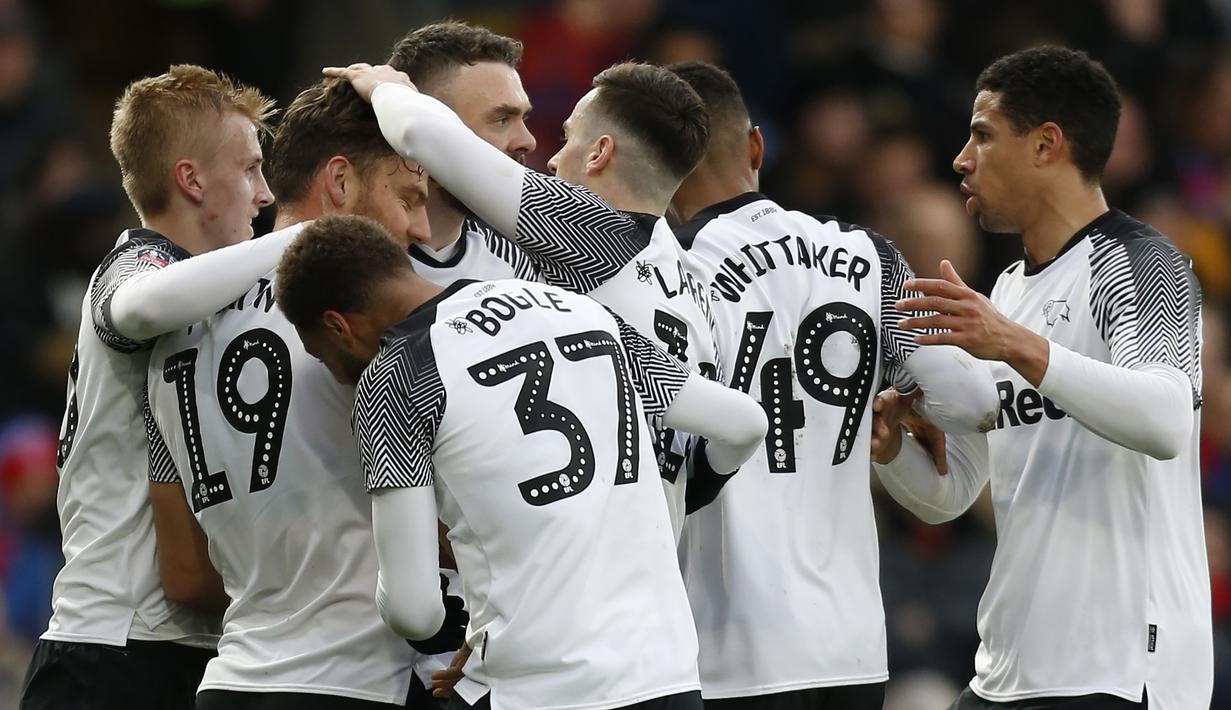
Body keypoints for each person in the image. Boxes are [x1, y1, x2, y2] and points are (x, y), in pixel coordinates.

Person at [273, 214, 768, 710]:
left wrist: (478, 627)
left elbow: (413, 611)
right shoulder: (583, 311)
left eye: (322, 355)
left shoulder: (397, 372)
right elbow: (745, 422)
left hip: (537, 691)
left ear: (338, 325)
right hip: (668, 679)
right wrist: (699, 484)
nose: (336, 374)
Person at [871, 46, 1212, 710]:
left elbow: (1167, 419)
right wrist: (893, 454)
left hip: (1118, 668)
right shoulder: (1006, 291)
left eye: (982, 135)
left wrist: (1016, 347)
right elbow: (956, 489)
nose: (960, 160)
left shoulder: (1142, 262)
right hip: (1012, 667)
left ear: (1046, 144)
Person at [664, 60, 999, 710]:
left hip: (725, 647)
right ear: (756, 145)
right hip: (852, 647)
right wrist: (903, 417)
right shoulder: (868, 256)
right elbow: (971, 402)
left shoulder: (665, 268)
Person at [143, 78, 447, 710]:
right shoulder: (362, 319)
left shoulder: (172, 325)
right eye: (408, 196)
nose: (419, 229)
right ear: (339, 184)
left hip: (232, 680)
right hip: (357, 682)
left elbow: (185, 574)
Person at [19, 64, 309, 710]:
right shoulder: (138, 263)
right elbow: (140, 309)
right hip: (111, 649)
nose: (265, 194)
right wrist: (304, 240)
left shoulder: (220, 297)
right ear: (191, 178)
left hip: (193, 650)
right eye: (250, 168)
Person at [328, 60, 720, 533]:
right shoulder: (698, 287)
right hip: (654, 558)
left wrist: (386, 87)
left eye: (569, 136)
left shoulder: (595, 231)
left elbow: (425, 139)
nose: (550, 159)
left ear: (599, 154)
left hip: (573, 547)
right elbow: (723, 443)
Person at [385, 21, 538, 286]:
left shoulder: (525, 269)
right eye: (501, 119)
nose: (528, 141)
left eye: (523, 118)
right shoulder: (346, 266)